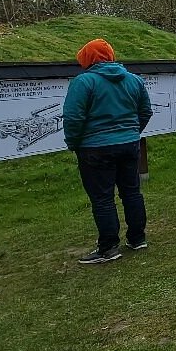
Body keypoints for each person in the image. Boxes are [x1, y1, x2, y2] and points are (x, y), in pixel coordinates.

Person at [63, 38, 153, 265]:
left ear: (87, 58)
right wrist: (132, 132)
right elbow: (146, 111)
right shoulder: (133, 80)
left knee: (103, 199)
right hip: (129, 144)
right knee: (132, 192)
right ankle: (137, 238)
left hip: (95, 148)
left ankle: (109, 247)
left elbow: (73, 118)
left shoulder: (83, 82)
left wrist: (74, 143)